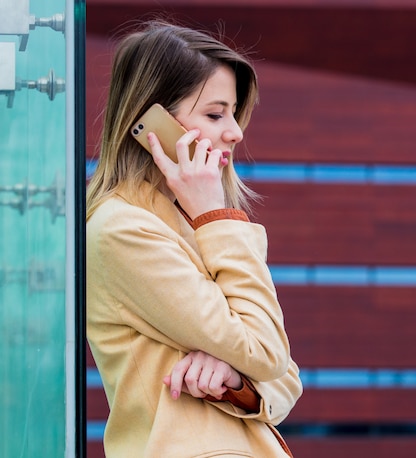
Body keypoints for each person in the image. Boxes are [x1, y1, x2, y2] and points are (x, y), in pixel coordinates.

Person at [86, 20, 302, 457]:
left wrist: (236, 378)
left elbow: (286, 376)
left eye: (234, 113)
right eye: (215, 113)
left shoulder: (187, 223)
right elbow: (265, 350)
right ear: (152, 122)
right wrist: (215, 214)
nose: (236, 132)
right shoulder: (123, 230)